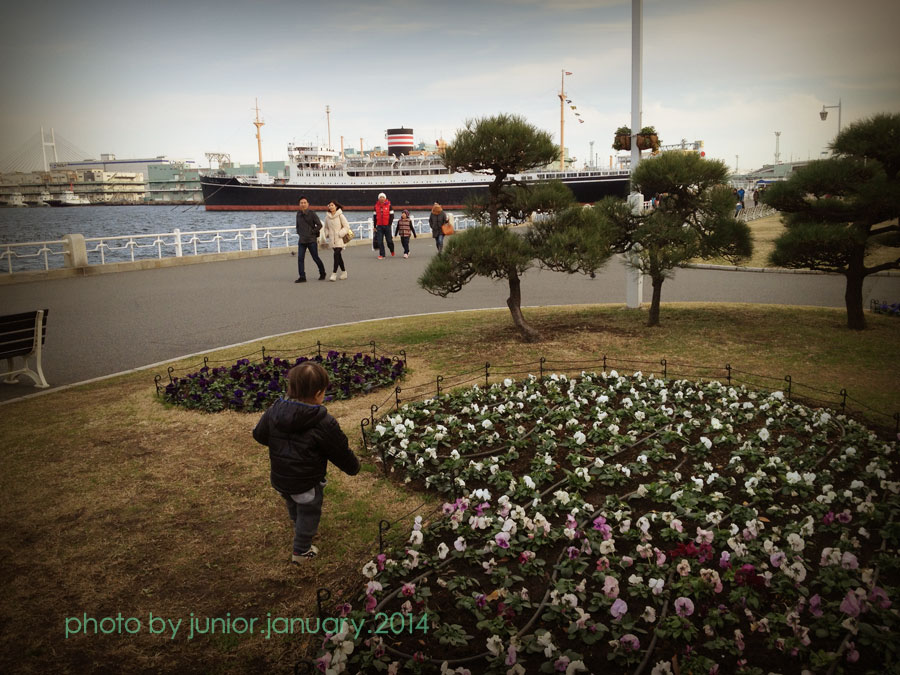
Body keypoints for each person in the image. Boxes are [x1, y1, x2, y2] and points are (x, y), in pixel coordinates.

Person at [252, 361, 359, 563]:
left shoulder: (274, 410)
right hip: (307, 481)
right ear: (318, 393)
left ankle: (297, 523)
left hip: (281, 477)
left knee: (292, 500)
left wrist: (279, 445)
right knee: (309, 511)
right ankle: (301, 551)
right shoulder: (323, 422)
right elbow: (339, 450)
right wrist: (353, 467)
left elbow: (259, 434)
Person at [295, 197, 326, 283]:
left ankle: (322, 273)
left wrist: (312, 232)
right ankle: (302, 276)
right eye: (301, 203)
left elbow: (319, 225)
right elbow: (297, 225)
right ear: (299, 204)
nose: (303, 204)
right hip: (302, 240)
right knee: (300, 258)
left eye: (304, 202)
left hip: (311, 240)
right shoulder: (298, 214)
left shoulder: (312, 213)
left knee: (315, 257)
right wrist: (299, 232)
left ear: (308, 204)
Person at [322, 200, 350, 280]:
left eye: (332, 205)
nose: (330, 207)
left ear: (336, 206)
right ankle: (344, 272)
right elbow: (326, 227)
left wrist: (340, 234)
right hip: (332, 240)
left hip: (340, 239)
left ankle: (334, 273)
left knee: (336, 255)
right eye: (329, 205)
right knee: (338, 256)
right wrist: (327, 234)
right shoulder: (327, 217)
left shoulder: (340, 215)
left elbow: (347, 226)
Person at [373, 192, 395, 259]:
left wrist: (389, 224)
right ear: (378, 198)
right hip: (379, 226)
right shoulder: (376, 206)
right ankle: (382, 254)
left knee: (389, 241)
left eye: (383, 197)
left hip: (387, 226)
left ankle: (392, 250)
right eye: (380, 197)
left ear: (385, 198)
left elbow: (392, 216)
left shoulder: (389, 206)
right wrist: (374, 226)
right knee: (380, 241)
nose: (382, 198)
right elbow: (375, 217)